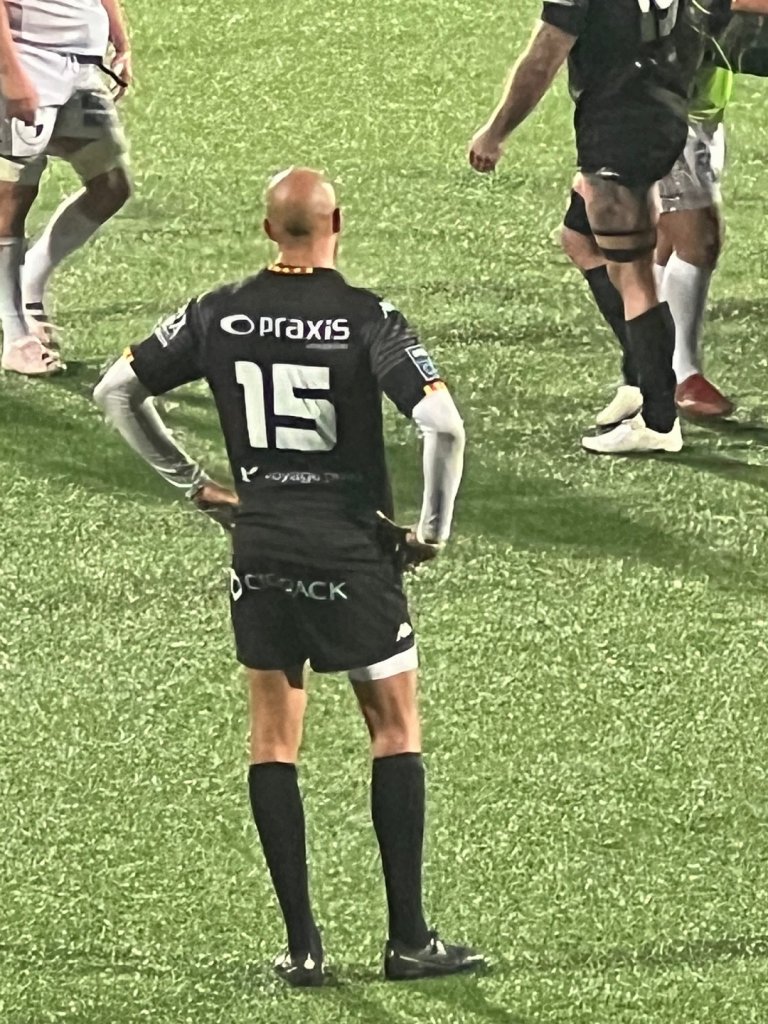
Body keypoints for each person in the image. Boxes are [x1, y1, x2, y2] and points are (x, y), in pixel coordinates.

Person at [94, 168, 483, 986]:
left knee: (274, 742)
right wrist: (431, 533)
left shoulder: (217, 312)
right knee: (393, 729)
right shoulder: (366, 317)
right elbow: (441, 424)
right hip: (351, 552)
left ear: (270, 231)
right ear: (337, 220)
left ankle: (303, 947)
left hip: (261, 549)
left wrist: (192, 482)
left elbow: (117, 389)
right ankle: (408, 938)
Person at [469, 1, 691, 454]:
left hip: (621, 124)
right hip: (656, 107)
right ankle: (641, 380)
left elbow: (545, 54)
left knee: (634, 274)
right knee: (579, 238)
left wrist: (495, 133)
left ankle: (660, 420)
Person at [561, 56, 735, 425]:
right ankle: (676, 376)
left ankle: (646, 371)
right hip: (663, 107)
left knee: (651, 240)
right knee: (695, 239)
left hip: (684, 101)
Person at [0, 0, 132, 376]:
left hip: (82, 64)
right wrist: (10, 74)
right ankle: (15, 336)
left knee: (111, 185)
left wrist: (120, 42)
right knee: (12, 195)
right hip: (28, 56)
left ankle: (30, 281)